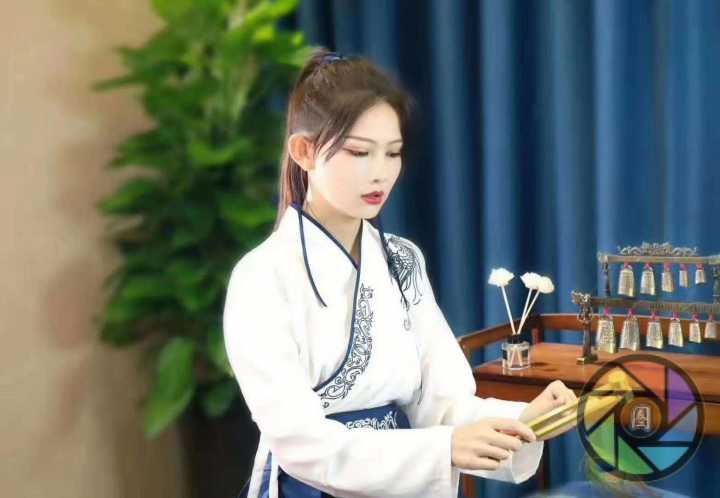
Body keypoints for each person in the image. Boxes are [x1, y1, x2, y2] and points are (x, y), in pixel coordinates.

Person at [223, 47, 577, 498]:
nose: (380, 174)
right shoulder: (261, 278)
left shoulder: (401, 260)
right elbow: (301, 445)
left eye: (393, 153)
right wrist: (442, 448)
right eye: (358, 152)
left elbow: (442, 403)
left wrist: (522, 421)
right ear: (304, 152)